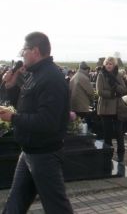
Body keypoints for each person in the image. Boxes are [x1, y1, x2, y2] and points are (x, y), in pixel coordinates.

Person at [0, 31, 73, 213]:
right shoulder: (36, 74)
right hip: (30, 152)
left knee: (57, 208)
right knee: (15, 204)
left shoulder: (51, 78)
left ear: (35, 50)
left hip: (44, 154)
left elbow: (47, 122)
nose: (22, 54)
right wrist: (10, 86)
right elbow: (28, 105)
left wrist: (13, 118)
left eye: (24, 50)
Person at [96, 56, 127, 163]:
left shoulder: (118, 75)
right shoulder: (101, 75)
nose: (109, 66)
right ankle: (107, 154)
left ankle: (121, 154)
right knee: (107, 133)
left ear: (114, 65)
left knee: (119, 132)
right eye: (107, 64)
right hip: (106, 107)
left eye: (111, 64)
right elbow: (99, 91)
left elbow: (124, 90)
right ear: (104, 65)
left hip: (117, 108)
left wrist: (116, 86)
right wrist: (112, 93)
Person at [69, 61, 94, 130]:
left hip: (73, 106)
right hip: (82, 107)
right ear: (86, 69)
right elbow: (91, 92)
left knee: (76, 125)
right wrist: (92, 101)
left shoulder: (74, 76)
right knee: (84, 126)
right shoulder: (84, 78)